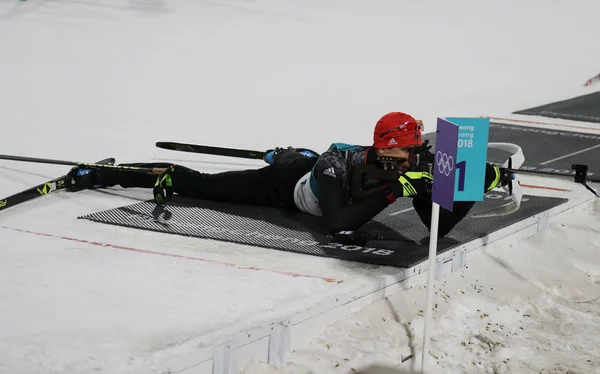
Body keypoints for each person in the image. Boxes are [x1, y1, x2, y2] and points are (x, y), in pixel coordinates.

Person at [65, 112, 511, 237]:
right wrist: (395, 191)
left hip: (314, 170)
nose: (413, 157)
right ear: (382, 145)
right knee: (201, 184)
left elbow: (436, 228)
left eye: (416, 150)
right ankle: (107, 174)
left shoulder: (416, 162)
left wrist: (468, 184)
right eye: (404, 151)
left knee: (295, 156)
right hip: (287, 189)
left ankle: (289, 153)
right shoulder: (339, 164)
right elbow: (337, 224)